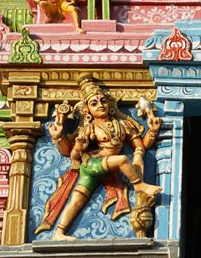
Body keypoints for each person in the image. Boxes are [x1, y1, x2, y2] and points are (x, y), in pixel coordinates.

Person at [36, 75, 162, 240]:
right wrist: (73, 144)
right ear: (87, 109)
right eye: (94, 103)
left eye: (103, 101)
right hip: (92, 164)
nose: (100, 105)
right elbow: (71, 155)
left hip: (100, 168)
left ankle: (59, 232)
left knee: (77, 200)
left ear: (109, 103)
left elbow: (141, 145)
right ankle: (139, 186)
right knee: (123, 160)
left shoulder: (123, 123)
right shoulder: (90, 128)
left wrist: (152, 131)